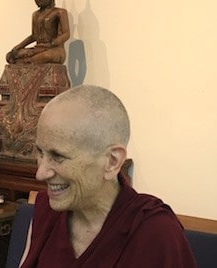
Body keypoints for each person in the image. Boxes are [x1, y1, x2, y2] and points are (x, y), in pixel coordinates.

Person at [19, 85, 197, 267]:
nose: (40, 173)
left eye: (58, 156)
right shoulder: (46, 211)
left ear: (112, 161)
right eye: (40, 152)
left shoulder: (155, 232)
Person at [6, 0, 70, 65]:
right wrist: (18, 47)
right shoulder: (35, 14)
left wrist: (53, 43)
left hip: (54, 50)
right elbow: (34, 36)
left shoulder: (59, 12)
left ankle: (27, 62)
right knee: (10, 56)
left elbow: (66, 34)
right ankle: (27, 61)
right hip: (38, 49)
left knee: (46, 56)